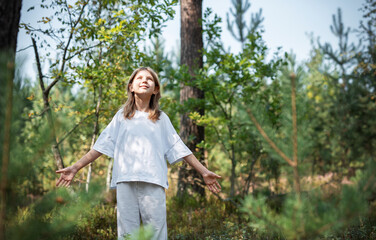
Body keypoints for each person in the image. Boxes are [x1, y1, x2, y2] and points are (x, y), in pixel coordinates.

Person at [55, 67, 221, 240]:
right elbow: (101, 145)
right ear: (131, 87)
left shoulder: (161, 118)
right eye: (139, 78)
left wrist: (203, 171)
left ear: (155, 89)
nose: (144, 80)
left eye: (149, 79)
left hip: (153, 182)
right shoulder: (121, 117)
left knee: (155, 234)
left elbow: (179, 147)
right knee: (128, 234)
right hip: (125, 181)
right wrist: (75, 167)